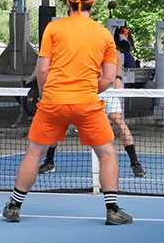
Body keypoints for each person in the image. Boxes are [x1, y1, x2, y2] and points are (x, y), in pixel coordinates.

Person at [3, 0, 132, 226]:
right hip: (87, 103)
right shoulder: (104, 35)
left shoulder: (53, 29)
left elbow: (43, 70)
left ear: (68, 2)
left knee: (34, 152)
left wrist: (44, 95)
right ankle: (113, 210)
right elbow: (108, 77)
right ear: (92, 4)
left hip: (53, 101)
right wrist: (85, 90)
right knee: (106, 153)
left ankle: (14, 206)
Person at [38, 26, 147, 178]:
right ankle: (49, 162)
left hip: (104, 89)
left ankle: (135, 163)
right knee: (59, 123)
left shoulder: (102, 41)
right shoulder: (74, 45)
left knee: (118, 121)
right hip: (82, 90)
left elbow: (116, 57)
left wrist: (117, 77)